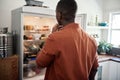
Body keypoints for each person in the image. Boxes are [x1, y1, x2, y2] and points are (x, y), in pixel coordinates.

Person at [36, 0, 99, 80]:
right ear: (74, 15)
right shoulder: (92, 40)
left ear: (59, 15)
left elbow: (40, 63)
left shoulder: (54, 38)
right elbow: (95, 68)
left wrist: (51, 35)